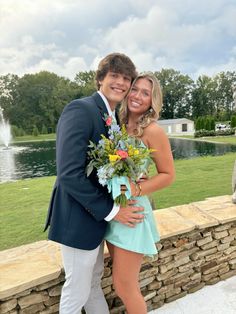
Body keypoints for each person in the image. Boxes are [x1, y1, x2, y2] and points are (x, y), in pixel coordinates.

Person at [44, 53, 145, 314]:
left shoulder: (110, 117)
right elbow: (69, 174)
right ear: (100, 79)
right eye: (114, 76)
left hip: (96, 220)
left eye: (126, 78)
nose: (121, 83)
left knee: (92, 284)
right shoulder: (81, 109)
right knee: (76, 290)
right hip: (77, 218)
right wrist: (114, 211)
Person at [105, 72, 175, 314]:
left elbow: (168, 174)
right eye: (135, 89)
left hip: (132, 213)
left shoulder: (153, 131)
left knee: (125, 286)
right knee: (121, 283)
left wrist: (137, 187)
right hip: (114, 210)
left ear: (152, 100)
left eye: (145, 93)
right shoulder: (117, 123)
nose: (137, 96)